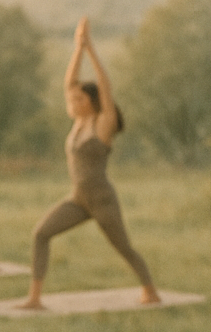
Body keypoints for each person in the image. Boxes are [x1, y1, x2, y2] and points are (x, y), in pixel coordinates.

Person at [18, 17, 160, 309]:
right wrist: (77, 48)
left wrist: (92, 50)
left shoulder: (103, 123)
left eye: (79, 98)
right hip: (78, 199)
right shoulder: (78, 121)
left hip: (102, 200)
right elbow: (69, 82)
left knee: (123, 247)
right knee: (41, 234)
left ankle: (150, 290)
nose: (73, 100)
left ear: (91, 101)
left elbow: (105, 86)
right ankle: (34, 298)